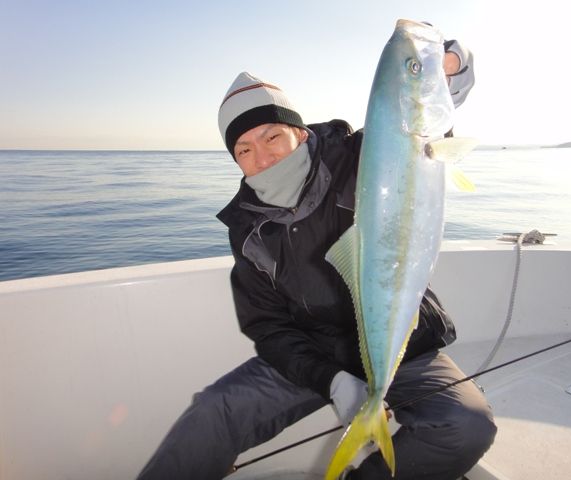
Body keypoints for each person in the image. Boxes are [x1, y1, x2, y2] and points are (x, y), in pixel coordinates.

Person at [137, 34, 495, 480]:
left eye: (272, 136)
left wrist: (448, 65)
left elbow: (420, 121)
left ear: (301, 133)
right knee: (212, 412)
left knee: (466, 424)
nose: (262, 157)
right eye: (244, 149)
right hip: (317, 354)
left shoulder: (360, 157)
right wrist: (332, 379)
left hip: (403, 345)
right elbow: (267, 327)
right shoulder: (248, 229)